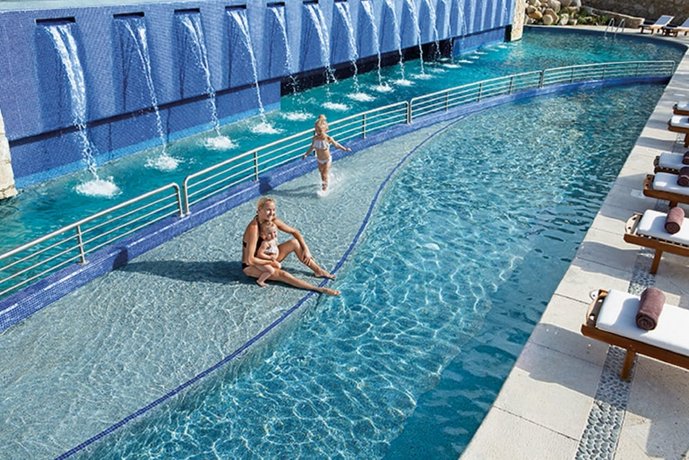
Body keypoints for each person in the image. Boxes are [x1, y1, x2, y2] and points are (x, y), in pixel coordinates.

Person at [242, 197, 339, 295]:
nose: (272, 213)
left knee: (294, 242)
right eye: (268, 210)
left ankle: (318, 271)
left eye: (273, 210)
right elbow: (250, 259)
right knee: (283, 274)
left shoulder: (272, 221)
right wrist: (272, 262)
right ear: (259, 209)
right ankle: (318, 289)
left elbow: (295, 232)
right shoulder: (253, 228)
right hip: (252, 265)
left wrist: (306, 249)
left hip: (269, 257)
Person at [302, 115, 351, 191]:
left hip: (327, 159)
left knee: (324, 174)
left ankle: (324, 189)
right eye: (316, 130)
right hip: (319, 160)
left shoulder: (328, 138)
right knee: (322, 173)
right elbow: (312, 147)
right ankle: (328, 180)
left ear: (325, 130)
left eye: (320, 131)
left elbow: (336, 145)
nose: (318, 132)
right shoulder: (315, 138)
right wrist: (306, 154)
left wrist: (345, 149)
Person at [254, 221, 280, 287]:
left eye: (274, 232)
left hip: (268, 260)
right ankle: (260, 281)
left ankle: (266, 273)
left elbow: (276, 248)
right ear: (263, 234)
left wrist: (275, 256)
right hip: (260, 261)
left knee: (278, 266)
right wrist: (270, 257)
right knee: (271, 270)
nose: (273, 235)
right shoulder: (265, 243)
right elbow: (259, 254)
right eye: (269, 233)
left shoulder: (274, 240)